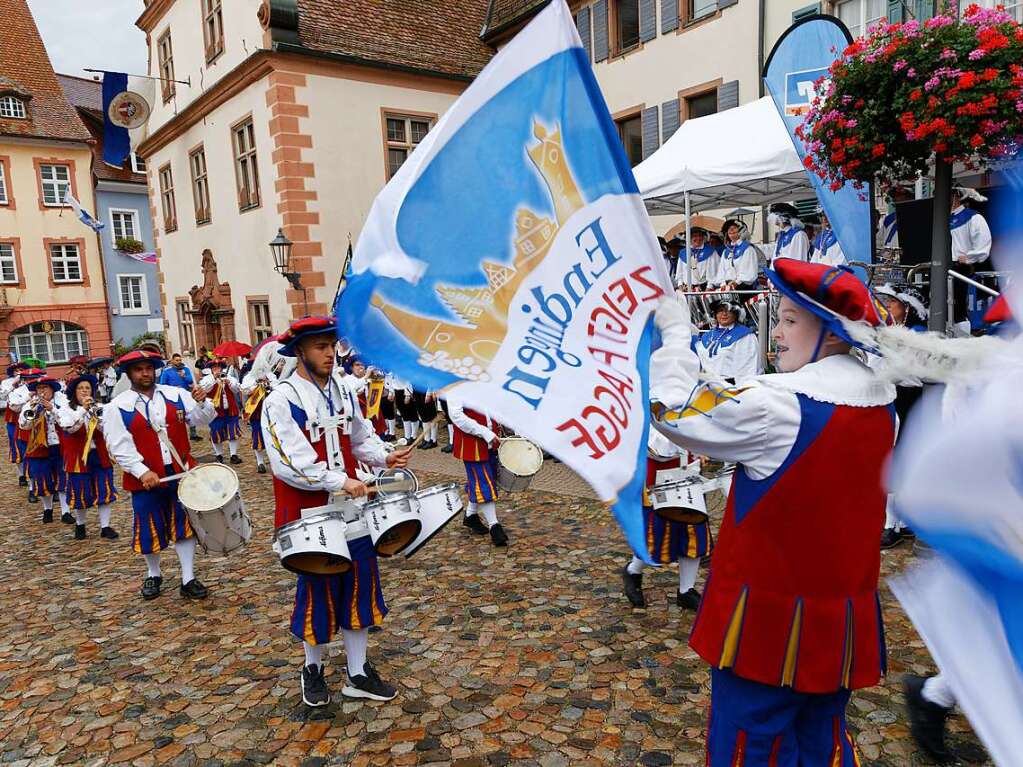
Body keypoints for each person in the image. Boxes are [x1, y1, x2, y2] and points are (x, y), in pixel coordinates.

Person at [649, 259, 896, 765]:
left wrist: (675, 335)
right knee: (821, 738)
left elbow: (671, 414)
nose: (776, 334)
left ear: (829, 333)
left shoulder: (779, 407)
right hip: (838, 620)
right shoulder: (882, 406)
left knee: (750, 741)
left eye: (788, 320)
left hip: (763, 624)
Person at [261, 316, 412, 706]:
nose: (330, 354)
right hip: (308, 514)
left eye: (332, 346)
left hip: (352, 510)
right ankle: (312, 668)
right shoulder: (281, 400)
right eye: (320, 347)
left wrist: (384, 456)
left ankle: (358, 673)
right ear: (299, 352)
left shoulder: (344, 389)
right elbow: (289, 464)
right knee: (317, 590)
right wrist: (340, 481)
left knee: (360, 585)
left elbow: (360, 437)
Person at [102, 350, 215, 600]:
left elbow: (203, 419)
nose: (145, 373)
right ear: (129, 374)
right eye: (139, 369)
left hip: (180, 472)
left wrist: (202, 402)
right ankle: (154, 574)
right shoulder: (118, 407)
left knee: (184, 525)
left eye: (148, 368)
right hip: (145, 478)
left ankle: (188, 577)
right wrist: (142, 471)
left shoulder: (175, 395)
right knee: (148, 528)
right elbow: (119, 446)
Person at [621, 428, 711, 611]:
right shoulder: (652, 402)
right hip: (659, 476)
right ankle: (632, 571)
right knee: (655, 535)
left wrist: (701, 448)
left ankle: (686, 590)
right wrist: (685, 443)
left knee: (693, 532)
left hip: (689, 473)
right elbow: (657, 450)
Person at [871, 284, 929, 550]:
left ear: (906, 308)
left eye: (891, 304)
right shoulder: (889, 333)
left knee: (901, 459)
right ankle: (894, 521)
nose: (887, 308)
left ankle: (896, 524)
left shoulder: (916, 335)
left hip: (908, 398)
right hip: (891, 396)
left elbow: (906, 370)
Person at [55, 373, 119, 540]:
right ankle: (80, 524)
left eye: (87, 388)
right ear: (74, 391)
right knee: (80, 492)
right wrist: (83, 410)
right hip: (77, 457)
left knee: (104, 490)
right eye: (80, 388)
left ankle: (105, 527)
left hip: (99, 454)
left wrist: (94, 416)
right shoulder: (66, 410)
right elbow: (69, 428)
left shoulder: (99, 407)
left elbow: (108, 429)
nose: (84, 391)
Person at [446, 393, 508, 547]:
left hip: (492, 438)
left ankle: (470, 516)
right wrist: (485, 432)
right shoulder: (454, 383)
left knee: (486, 479)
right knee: (484, 481)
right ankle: (495, 526)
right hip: (472, 441)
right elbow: (457, 416)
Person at [19, 376, 71, 524]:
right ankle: (47, 509)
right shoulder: (30, 404)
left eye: (45, 388)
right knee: (42, 480)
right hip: (39, 447)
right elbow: (24, 425)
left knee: (62, 479)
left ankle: (65, 511)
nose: (41, 391)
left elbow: (68, 421)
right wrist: (32, 409)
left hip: (60, 446)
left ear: (52, 389)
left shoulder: (63, 402)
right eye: (39, 389)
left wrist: (52, 409)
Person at [241, 341, 290, 475]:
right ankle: (260, 462)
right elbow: (244, 389)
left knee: (273, 434)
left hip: (271, 411)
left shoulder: (271, 376)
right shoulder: (249, 377)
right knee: (257, 435)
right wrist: (256, 385)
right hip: (256, 411)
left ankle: (275, 460)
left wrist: (269, 385)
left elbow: (279, 388)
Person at [949, 185, 993, 325]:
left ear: (956, 196)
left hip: (961, 267)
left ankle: (965, 327)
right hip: (943, 266)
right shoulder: (941, 218)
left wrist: (969, 257)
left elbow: (984, 242)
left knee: (959, 305)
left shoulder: (972, 216)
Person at [693, 300, 760, 382]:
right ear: (715, 315)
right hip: (707, 385)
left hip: (731, 388)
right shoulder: (707, 335)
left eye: (728, 310)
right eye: (720, 311)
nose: (724, 314)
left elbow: (749, 369)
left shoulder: (745, 336)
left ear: (736, 314)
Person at [8, 368, 46, 501]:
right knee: (28, 458)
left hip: (44, 429)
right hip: (26, 429)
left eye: (34, 378)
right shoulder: (17, 392)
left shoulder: (45, 389)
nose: (32, 381)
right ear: (24, 380)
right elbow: (14, 407)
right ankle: (31, 488)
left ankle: (49, 486)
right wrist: (27, 398)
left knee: (48, 458)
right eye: (29, 379)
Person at [200, 358, 243, 464]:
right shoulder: (207, 379)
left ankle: (233, 455)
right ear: (211, 369)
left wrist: (228, 382)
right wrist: (214, 379)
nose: (217, 369)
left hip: (230, 410)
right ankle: (219, 455)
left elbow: (237, 389)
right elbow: (204, 390)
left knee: (233, 432)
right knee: (216, 432)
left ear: (222, 368)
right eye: (214, 367)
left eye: (218, 367)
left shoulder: (229, 378)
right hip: (215, 411)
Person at [159, 353, 201, 441]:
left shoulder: (185, 369)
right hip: (174, 397)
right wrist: (172, 388)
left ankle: (193, 434)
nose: (179, 362)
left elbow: (191, 380)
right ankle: (178, 434)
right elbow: (162, 384)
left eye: (180, 360)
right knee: (177, 416)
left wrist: (184, 376)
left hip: (186, 395)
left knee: (190, 413)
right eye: (177, 360)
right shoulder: (167, 371)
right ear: (172, 361)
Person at [716, 219, 760, 292]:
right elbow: (721, 271)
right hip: (728, 287)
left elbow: (749, 272)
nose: (731, 230)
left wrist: (736, 282)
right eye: (729, 229)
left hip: (743, 287)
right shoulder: (726, 251)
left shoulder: (748, 249)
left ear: (741, 231)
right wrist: (723, 284)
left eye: (734, 228)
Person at [2, 362, 28, 485]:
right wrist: (13, 384)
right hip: (13, 418)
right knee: (16, 446)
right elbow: (2, 396)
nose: (18, 372)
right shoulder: (6, 383)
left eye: (21, 370)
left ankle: (31, 474)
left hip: (27, 416)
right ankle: (21, 475)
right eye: (16, 370)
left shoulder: (28, 382)